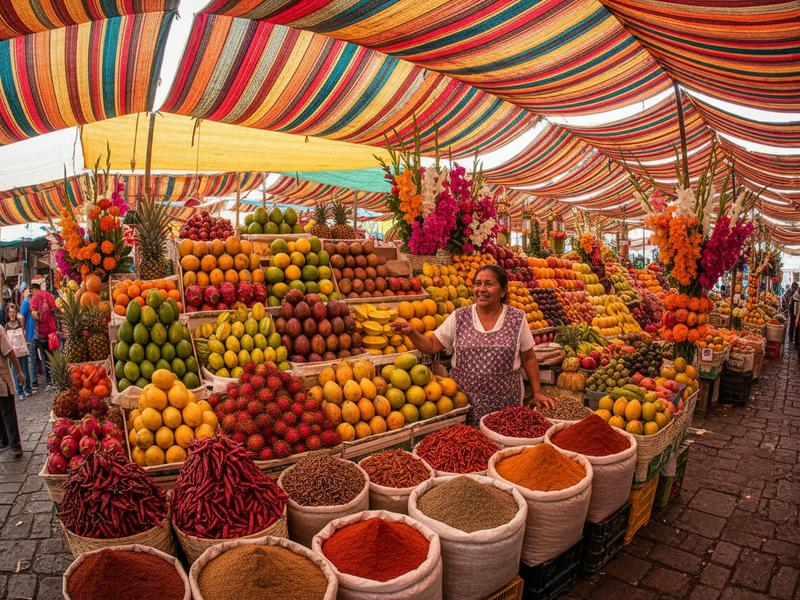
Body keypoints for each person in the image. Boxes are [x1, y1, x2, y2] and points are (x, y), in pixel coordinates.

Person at [391, 264, 555, 426]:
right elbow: (432, 345)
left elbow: (529, 358)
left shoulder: (517, 319)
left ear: (503, 290)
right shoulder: (460, 316)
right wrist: (412, 332)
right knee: (470, 447)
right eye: (478, 283)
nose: (481, 289)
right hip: (465, 403)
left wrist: (537, 392)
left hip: (506, 404)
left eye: (489, 284)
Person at [0, 325, 25, 458]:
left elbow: (9, 351)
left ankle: (15, 445)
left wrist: (19, 370)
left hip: (2, 379)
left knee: (7, 411)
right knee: (5, 411)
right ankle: (5, 441)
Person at [28, 282, 57, 389]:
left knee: (45, 358)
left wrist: (37, 317)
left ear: (34, 289)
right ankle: (56, 378)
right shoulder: (49, 295)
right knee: (54, 355)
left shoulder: (34, 298)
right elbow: (54, 309)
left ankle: (49, 381)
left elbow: (33, 313)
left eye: (31, 291)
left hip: (42, 334)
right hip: (52, 332)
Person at [3, 304, 31, 399]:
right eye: (10, 312)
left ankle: (27, 389)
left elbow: (24, 329)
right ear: (7, 313)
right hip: (14, 353)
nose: (12, 314)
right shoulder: (6, 326)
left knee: (25, 370)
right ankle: (20, 392)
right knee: (15, 373)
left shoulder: (20, 322)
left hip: (22, 350)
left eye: (13, 312)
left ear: (16, 312)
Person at [18, 282, 39, 393]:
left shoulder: (35, 300)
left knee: (37, 358)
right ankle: (33, 382)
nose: (29, 291)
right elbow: (21, 316)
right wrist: (23, 330)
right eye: (26, 290)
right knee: (32, 359)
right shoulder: (26, 302)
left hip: (38, 333)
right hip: (31, 333)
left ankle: (36, 380)